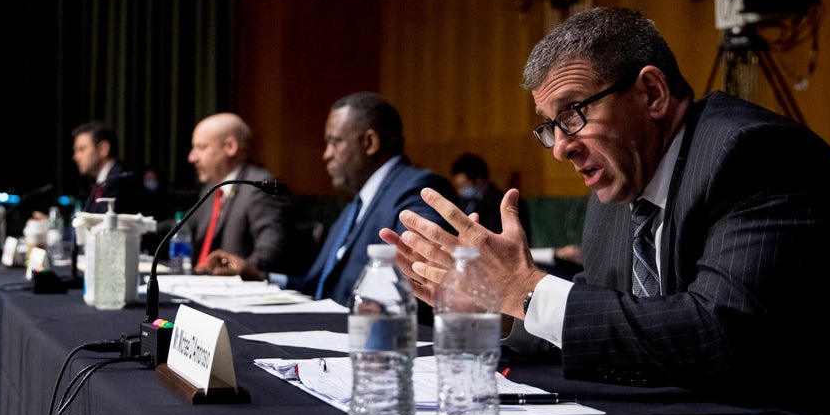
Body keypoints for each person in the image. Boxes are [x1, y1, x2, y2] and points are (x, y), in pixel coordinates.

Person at [382, 6, 830, 415]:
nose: (560, 148)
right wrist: (501, 313)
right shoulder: (621, 178)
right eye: (549, 127)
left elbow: (718, 332)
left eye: (573, 114)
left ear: (651, 93)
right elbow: (616, 318)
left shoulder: (753, 154)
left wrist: (525, 289)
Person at [199, 92, 459, 309]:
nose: (326, 155)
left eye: (334, 143)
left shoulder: (418, 190)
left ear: (369, 142)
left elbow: (417, 287)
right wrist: (259, 275)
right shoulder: (354, 206)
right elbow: (318, 288)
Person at [181, 112, 289, 273]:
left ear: (230, 147)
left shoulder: (258, 188)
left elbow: (270, 252)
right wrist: (140, 227)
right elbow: (181, 227)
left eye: (201, 147)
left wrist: (240, 271)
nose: (192, 157)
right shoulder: (211, 190)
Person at [450, 151, 582, 274]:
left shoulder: (502, 202)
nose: (462, 190)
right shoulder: (464, 202)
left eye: (464, 185)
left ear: (478, 180)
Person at [71, 121, 143, 214]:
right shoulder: (101, 184)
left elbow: (100, 224)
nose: (76, 157)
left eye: (81, 149)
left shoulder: (121, 182)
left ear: (103, 149)